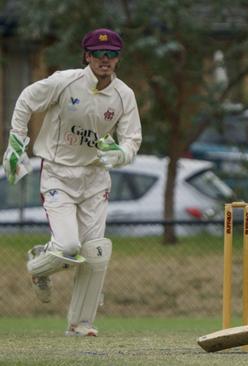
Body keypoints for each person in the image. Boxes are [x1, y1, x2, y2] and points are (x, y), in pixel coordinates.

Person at [2, 28, 142, 336]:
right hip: (58, 173)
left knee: (95, 253)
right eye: (98, 54)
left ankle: (80, 325)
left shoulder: (124, 95)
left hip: (95, 179)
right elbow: (26, 99)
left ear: (118, 58)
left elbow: (132, 140)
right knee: (68, 247)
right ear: (87, 56)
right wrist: (16, 141)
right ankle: (39, 265)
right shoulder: (64, 81)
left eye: (111, 55)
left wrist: (119, 155)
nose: (105, 60)